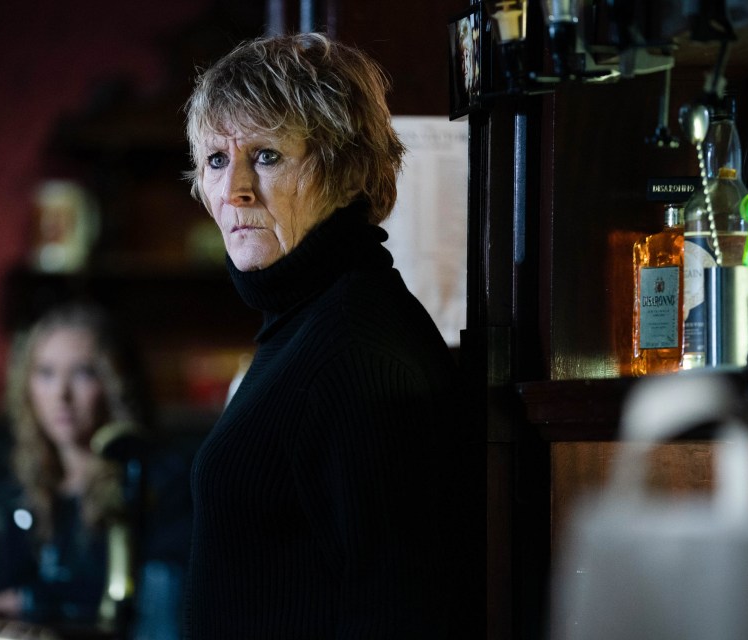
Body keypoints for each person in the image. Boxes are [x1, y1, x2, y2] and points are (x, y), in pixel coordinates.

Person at [183, 32, 477, 638]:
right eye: (217, 159)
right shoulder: (302, 324)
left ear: (346, 172)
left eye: (266, 155)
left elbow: (402, 615)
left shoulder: (353, 349)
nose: (235, 187)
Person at [0, 303, 190, 638]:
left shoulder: (157, 479)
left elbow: (153, 604)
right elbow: (10, 593)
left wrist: (22, 602)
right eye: (46, 373)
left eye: (84, 373)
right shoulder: (27, 487)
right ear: (27, 386)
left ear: (116, 384)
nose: (61, 394)